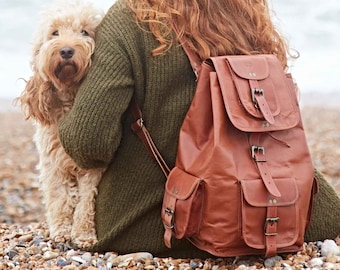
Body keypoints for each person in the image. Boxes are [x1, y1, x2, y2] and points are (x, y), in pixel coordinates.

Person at [58, 0, 340, 257]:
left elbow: (89, 143)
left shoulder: (130, 17)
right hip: (268, 210)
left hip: (149, 222)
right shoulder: (244, 11)